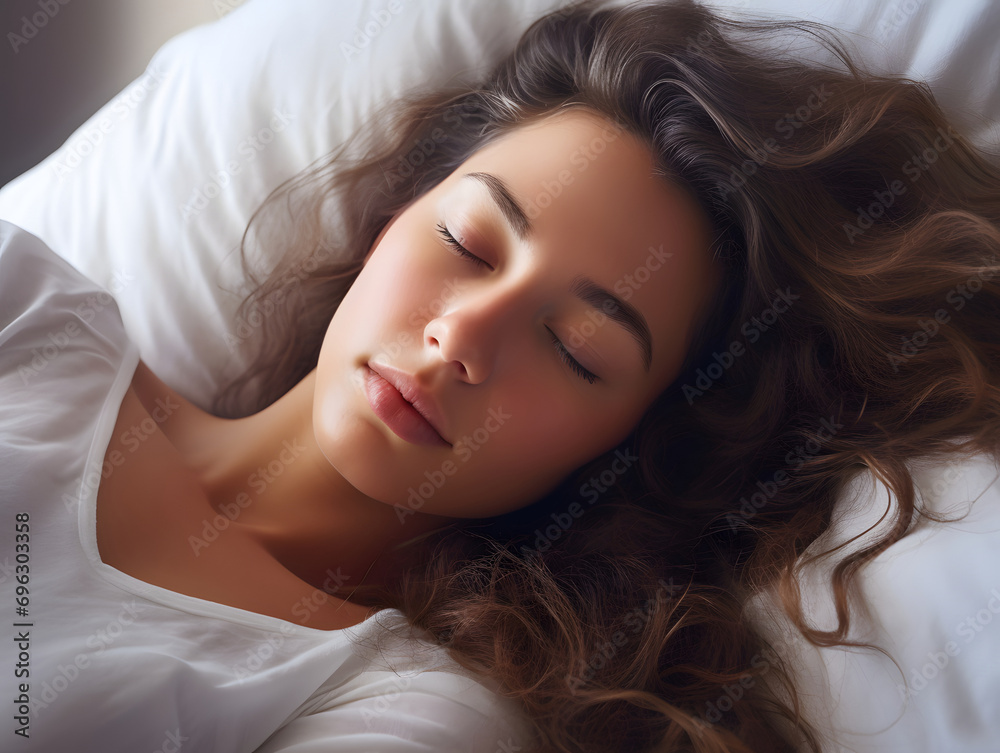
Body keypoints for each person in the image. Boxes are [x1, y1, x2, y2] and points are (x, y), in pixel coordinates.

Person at [3, 1, 1000, 752]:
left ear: (625, 446)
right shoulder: (29, 308)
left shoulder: (403, 712)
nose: (461, 336)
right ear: (392, 218)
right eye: (469, 243)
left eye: (576, 348)